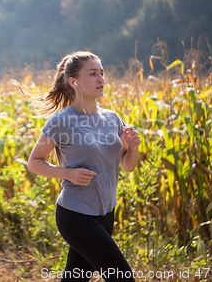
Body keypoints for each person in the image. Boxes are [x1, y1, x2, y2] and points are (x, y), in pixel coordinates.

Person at [11, 51, 141, 281]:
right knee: (123, 277)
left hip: (106, 212)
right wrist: (67, 173)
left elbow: (128, 166)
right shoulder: (61, 121)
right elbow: (34, 162)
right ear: (74, 82)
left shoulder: (113, 119)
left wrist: (134, 147)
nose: (100, 78)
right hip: (75, 213)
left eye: (101, 73)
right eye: (92, 74)